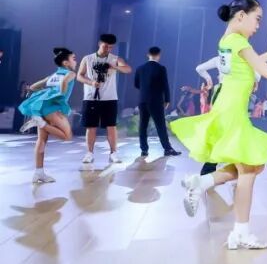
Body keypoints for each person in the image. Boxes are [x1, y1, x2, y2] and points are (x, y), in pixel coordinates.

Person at [172, 0, 267, 250]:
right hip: (233, 111)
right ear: (241, 16)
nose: (258, 26)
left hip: (227, 107)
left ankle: (201, 183)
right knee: (248, 171)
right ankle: (240, 232)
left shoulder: (228, 40)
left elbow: (247, 61)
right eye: (257, 19)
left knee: (254, 167)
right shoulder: (237, 40)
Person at [19, 47, 79, 183]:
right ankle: (40, 123)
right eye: (73, 59)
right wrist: (61, 96)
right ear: (66, 63)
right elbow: (64, 82)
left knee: (42, 141)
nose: (76, 61)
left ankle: (38, 173)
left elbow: (33, 87)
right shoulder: (71, 73)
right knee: (67, 136)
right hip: (53, 108)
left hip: (41, 108)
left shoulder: (53, 76)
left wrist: (35, 90)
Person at [76, 33, 132, 166]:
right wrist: (91, 83)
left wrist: (114, 67)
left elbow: (128, 69)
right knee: (91, 126)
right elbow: (79, 76)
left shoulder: (115, 59)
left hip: (110, 98)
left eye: (111, 47)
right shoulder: (88, 59)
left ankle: (113, 153)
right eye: (106, 46)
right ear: (99, 44)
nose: (108, 49)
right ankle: (89, 153)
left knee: (111, 126)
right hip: (91, 97)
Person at [133, 46, 180, 158]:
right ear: (159, 55)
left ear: (148, 55)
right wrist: (167, 99)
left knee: (143, 126)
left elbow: (136, 84)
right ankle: (167, 149)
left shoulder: (140, 68)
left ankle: (144, 150)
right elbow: (165, 85)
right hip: (156, 101)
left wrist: (145, 90)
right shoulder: (161, 68)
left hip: (142, 100)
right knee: (160, 125)